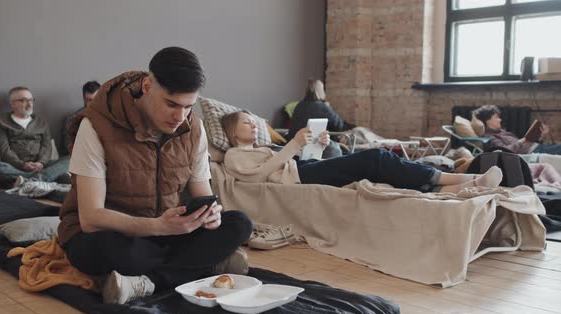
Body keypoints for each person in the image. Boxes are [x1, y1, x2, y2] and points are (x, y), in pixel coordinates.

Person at [58, 47, 253, 305]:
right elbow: (91, 218)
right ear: (147, 86)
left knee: (239, 224)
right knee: (116, 251)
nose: (179, 117)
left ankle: (147, 283)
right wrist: (157, 227)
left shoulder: (193, 128)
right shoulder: (95, 125)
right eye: (171, 104)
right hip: (112, 234)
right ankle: (203, 266)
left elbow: (202, 193)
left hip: (166, 232)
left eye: (187, 107)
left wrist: (210, 215)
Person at [221, 111, 503, 193]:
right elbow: (257, 178)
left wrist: (316, 145)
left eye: (254, 120)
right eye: (246, 122)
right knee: (376, 157)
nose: (254, 124)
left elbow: (300, 162)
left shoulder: (266, 147)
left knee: (378, 166)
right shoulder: (234, 156)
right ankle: (460, 179)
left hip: (302, 171)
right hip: (298, 178)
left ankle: (452, 186)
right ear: (233, 132)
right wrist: (293, 144)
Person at [0, 86, 70, 186]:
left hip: (42, 166)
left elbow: (47, 147)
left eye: (31, 100)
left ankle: (31, 181)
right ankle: (45, 178)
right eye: (23, 100)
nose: (29, 104)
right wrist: (22, 165)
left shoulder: (41, 122)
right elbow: (4, 150)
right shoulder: (1, 122)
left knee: (71, 159)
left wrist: (41, 163)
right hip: (15, 167)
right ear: (13, 103)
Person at [288, 79, 355, 158]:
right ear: (320, 91)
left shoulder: (299, 105)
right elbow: (339, 125)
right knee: (354, 135)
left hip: (294, 146)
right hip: (312, 145)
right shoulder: (322, 107)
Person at [474, 105, 560, 155]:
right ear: (488, 121)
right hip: (533, 152)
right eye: (496, 117)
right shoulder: (491, 138)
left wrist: (541, 135)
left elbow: (525, 143)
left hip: (536, 148)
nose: (500, 120)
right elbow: (504, 151)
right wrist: (522, 141)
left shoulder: (502, 132)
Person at [61, 81, 101, 155]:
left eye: (95, 99)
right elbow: (67, 147)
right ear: (84, 100)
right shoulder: (72, 120)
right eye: (88, 100)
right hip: (82, 156)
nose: (92, 104)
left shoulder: (110, 118)